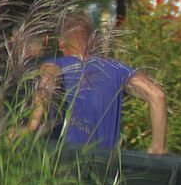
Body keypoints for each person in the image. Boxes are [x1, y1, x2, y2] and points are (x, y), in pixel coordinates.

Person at [28, 11, 167, 154]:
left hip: (63, 165)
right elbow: (157, 94)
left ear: (62, 44)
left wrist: (31, 126)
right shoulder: (117, 69)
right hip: (106, 169)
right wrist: (158, 147)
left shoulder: (56, 66)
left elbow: (47, 82)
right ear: (93, 42)